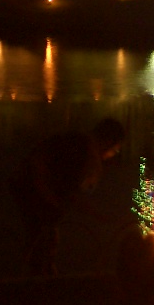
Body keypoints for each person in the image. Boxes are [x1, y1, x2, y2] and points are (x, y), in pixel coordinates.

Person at [8, 117, 126, 276]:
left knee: (43, 238)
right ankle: (38, 279)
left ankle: (40, 273)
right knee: (42, 238)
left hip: (30, 187)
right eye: (116, 150)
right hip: (32, 190)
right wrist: (101, 216)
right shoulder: (83, 152)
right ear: (109, 142)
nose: (112, 155)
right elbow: (72, 194)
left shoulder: (79, 143)